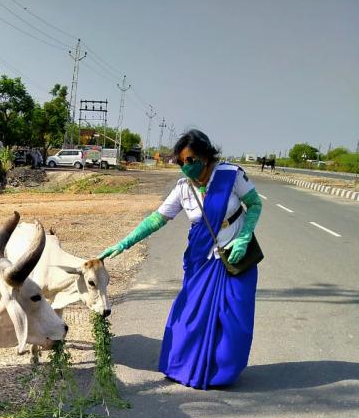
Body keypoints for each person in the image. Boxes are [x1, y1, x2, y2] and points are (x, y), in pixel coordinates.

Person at [100, 129, 263, 390]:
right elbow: (157, 219)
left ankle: (221, 373)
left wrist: (244, 237)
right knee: (188, 317)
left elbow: (255, 205)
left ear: (206, 156)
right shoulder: (183, 189)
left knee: (234, 322)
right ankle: (184, 367)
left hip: (235, 256)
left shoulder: (231, 175)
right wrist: (123, 244)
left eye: (191, 160)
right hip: (202, 259)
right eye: (181, 162)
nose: (186, 166)